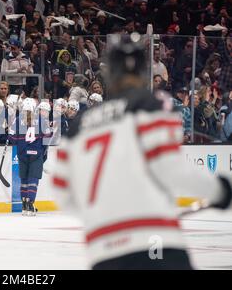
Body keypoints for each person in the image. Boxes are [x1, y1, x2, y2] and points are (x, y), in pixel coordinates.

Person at [52, 33, 232, 270]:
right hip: (155, 242)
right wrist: (219, 188)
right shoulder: (150, 105)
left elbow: (62, 192)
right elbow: (169, 168)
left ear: (109, 73)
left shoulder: (78, 126)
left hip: (103, 251)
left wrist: (103, 217)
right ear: (142, 70)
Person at [9, 98, 52, 215]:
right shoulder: (42, 120)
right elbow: (48, 137)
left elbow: (11, 139)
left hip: (22, 153)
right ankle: (30, 204)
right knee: (33, 180)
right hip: (36, 153)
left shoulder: (17, 120)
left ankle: (24, 205)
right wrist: (42, 150)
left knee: (24, 179)